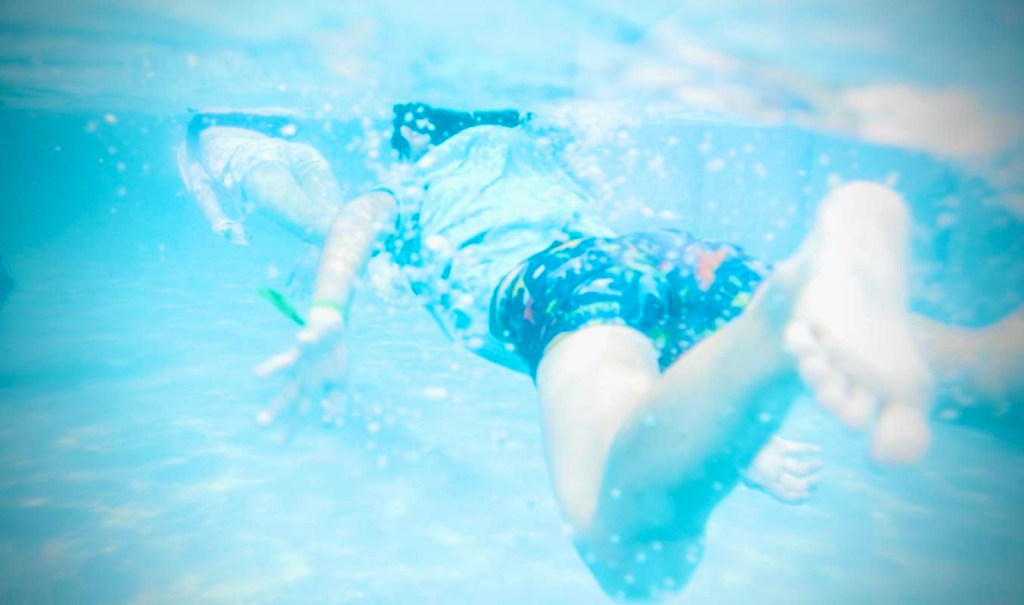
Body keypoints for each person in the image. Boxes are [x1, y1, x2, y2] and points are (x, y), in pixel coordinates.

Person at [254, 103, 1021, 600]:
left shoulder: (417, 178)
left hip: (563, 288)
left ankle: (796, 300)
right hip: (654, 254)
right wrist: (729, 439)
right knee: (989, 388)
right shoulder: (535, 158)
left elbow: (355, 217)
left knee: (630, 550)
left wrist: (327, 315)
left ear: (411, 139)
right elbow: (639, 329)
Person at [176, 108, 346, 246]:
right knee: (341, 227)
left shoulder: (189, 146)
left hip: (249, 158)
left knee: (323, 231)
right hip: (297, 151)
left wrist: (220, 221)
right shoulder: (202, 137)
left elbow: (199, 182)